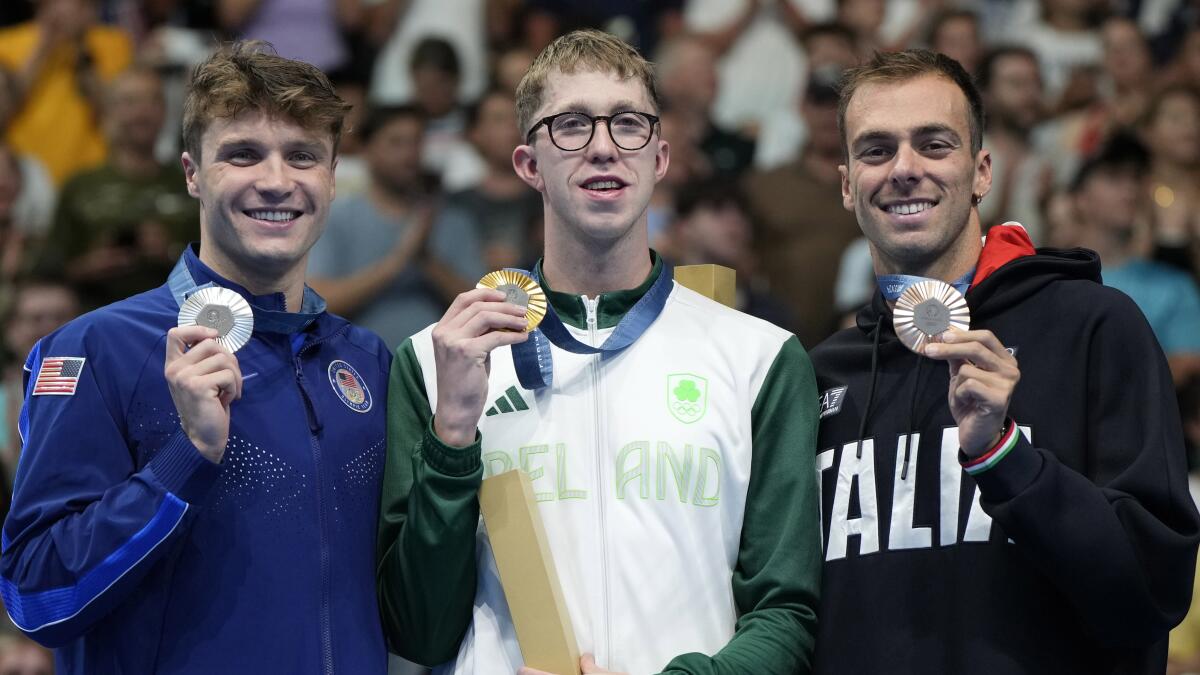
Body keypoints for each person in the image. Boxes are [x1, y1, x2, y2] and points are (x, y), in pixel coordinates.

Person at [377, 28, 821, 675]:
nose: (604, 147)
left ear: (660, 157)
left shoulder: (762, 358)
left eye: (628, 125)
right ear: (529, 164)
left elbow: (786, 613)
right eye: (572, 125)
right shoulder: (435, 360)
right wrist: (453, 434)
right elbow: (417, 630)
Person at [0, 42, 391, 674]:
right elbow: (36, 594)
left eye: (303, 157)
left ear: (332, 177)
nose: (276, 180)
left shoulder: (366, 360)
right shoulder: (98, 349)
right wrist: (187, 459)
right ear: (190, 173)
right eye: (242, 154)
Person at [810, 49, 1200, 674]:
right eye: (876, 150)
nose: (904, 169)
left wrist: (1005, 457)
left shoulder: (1094, 327)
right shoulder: (822, 375)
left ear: (982, 170)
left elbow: (1150, 595)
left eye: (934, 144)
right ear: (847, 183)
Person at [37, 66, 198, 309]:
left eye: (153, 100)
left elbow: (216, 267)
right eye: (129, 101)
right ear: (109, 112)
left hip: (175, 317)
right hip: (93, 312)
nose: (142, 112)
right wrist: (87, 266)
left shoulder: (190, 182)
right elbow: (47, 272)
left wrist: (168, 253)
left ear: (165, 111)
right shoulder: (79, 186)